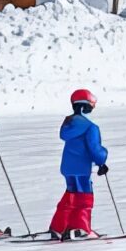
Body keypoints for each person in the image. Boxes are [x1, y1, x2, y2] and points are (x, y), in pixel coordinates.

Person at [47, 88, 109, 240]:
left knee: (71, 196)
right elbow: (94, 149)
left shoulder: (68, 125)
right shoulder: (91, 127)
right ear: (84, 107)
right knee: (84, 197)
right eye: (91, 106)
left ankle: (59, 227)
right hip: (82, 168)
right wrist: (102, 160)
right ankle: (79, 228)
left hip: (68, 168)